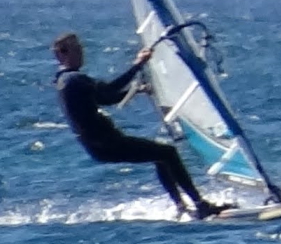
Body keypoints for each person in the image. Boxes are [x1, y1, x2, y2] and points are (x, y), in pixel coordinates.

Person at [52, 32, 227, 219]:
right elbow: (110, 89)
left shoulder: (66, 81)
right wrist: (138, 64)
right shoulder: (73, 79)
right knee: (167, 153)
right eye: (76, 49)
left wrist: (136, 90)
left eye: (81, 48)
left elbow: (106, 98)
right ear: (62, 54)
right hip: (106, 143)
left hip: (100, 146)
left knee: (161, 155)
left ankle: (182, 206)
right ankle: (199, 205)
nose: (81, 53)